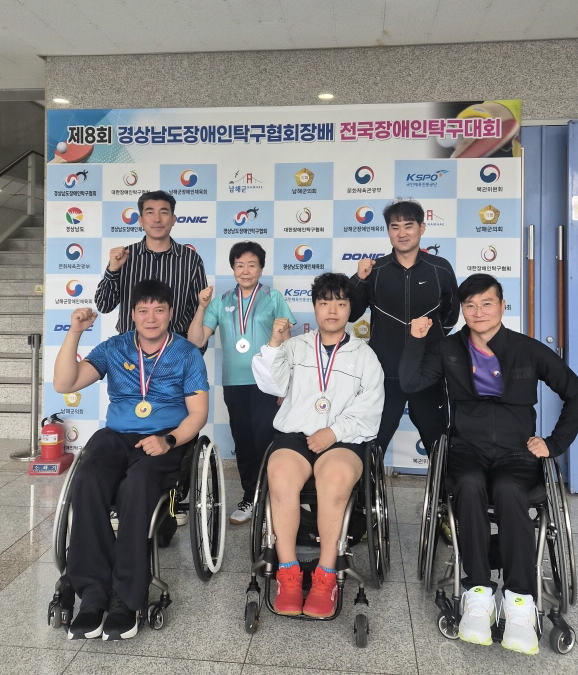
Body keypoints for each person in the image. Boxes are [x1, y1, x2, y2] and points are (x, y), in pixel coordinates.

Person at [400, 273, 578, 655]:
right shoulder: (449, 349)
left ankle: (520, 600)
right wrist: (415, 340)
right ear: (462, 310)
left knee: (508, 489)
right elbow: (410, 383)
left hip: (516, 453)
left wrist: (553, 444)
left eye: (487, 303)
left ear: (503, 306)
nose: (478, 311)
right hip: (466, 449)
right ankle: (478, 593)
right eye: (470, 305)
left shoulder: (527, 349)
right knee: (469, 486)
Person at [53, 279, 209, 641]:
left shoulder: (187, 353)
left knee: (137, 485)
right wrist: (75, 332)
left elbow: (198, 414)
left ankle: (127, 597)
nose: (151, 318)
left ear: (170, 313)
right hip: (116, 436)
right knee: (87, 478)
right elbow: (65, 383)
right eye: (143, 311)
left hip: (164, 438)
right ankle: (93, 595)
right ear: (133, 315)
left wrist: (169, 440)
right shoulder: (114, 347)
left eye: (159, 310)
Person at [251, 272, 384, 618]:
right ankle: (288, 572)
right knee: (280, 477)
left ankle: (326, 574)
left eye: (341, 303)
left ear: (350, 309)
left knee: (336, 481)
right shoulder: (295, 346)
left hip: (342, 439)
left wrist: (334, 432)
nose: (332, 310)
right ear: (314, 307)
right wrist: (275, 343)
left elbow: (370, 408)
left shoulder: (364, 355)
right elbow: (270, 384)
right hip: (296, 435)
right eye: (325, 302)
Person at [187, 241, 296, 524]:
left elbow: (287, 343)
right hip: (235, 383)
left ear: (261, 268)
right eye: (239, 265)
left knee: (267, 440)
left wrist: (287, 383)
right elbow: (196, 340)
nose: (245, 270)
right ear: (233, 268)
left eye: (251, 265)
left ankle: (274, 499)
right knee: (244, 442)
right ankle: (250, 498)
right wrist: (201, 307)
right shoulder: (221, 302)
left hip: (268, 382)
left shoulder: (274, 298)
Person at [349, 199, 459, 456]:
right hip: (384, 372)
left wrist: (430, 342)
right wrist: (359, 280)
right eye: (395, 227)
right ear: (388, 231)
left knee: (439, 446)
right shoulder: (376, 270)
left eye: (409, 226)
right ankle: (366, 484)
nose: (402, 233)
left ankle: (443, 486)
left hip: (428, 372)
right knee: (372, 445)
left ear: (422, 228)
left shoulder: (440, 268)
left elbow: (451, 315)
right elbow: (352, 314)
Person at [95, 190, 207, 338]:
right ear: (140, 220)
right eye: (150, 213)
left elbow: (201, 312)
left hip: (175, 345)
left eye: (164, 212)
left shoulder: (190, 259)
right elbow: (104, 305)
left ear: (173, 219)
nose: (157, 219)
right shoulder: (124, 256)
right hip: (130, 345)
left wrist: (193, 349)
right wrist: (113, 270)